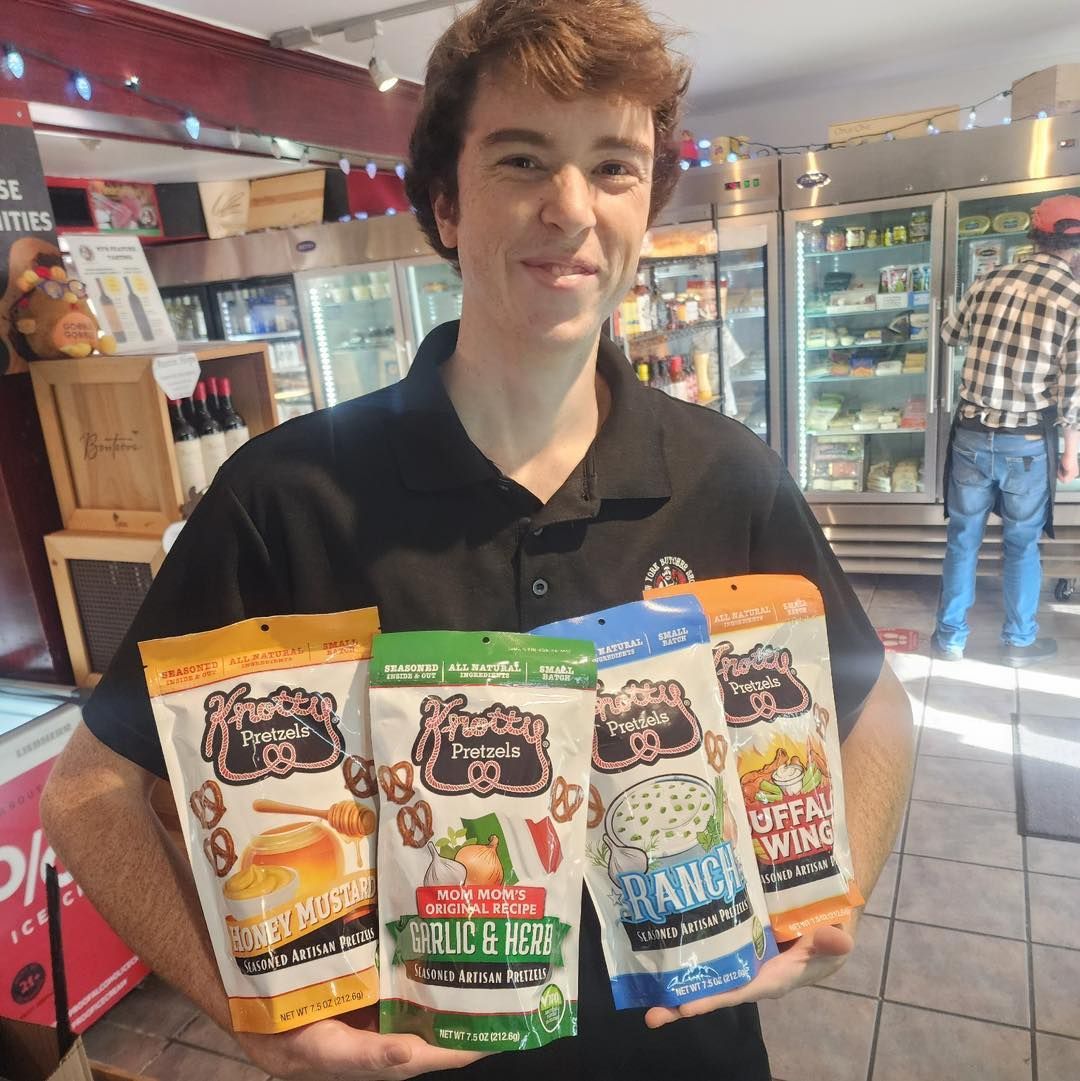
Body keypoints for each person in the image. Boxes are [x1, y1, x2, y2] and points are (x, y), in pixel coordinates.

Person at [40, 3, 913, 1079]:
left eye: (613, 167)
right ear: (446, 205)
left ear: (648, 207)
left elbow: (874, 708)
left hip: (694, 1054)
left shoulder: (726, 471)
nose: (570, 208)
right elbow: (86, 793)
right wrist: (248, 1018)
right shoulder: (284, 495)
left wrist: (838, 896)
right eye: (521, 159)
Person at [933, 194, 1080, 666]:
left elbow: (950, 335)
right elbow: (1075, 392)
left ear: (1034, 233)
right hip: (1029, 442)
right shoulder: (1074, 300)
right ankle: (1018, 643)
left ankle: (950, 638)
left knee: (963, 538)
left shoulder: (989, 278)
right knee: (1021, 544)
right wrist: (1071, 454)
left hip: (972, 435)